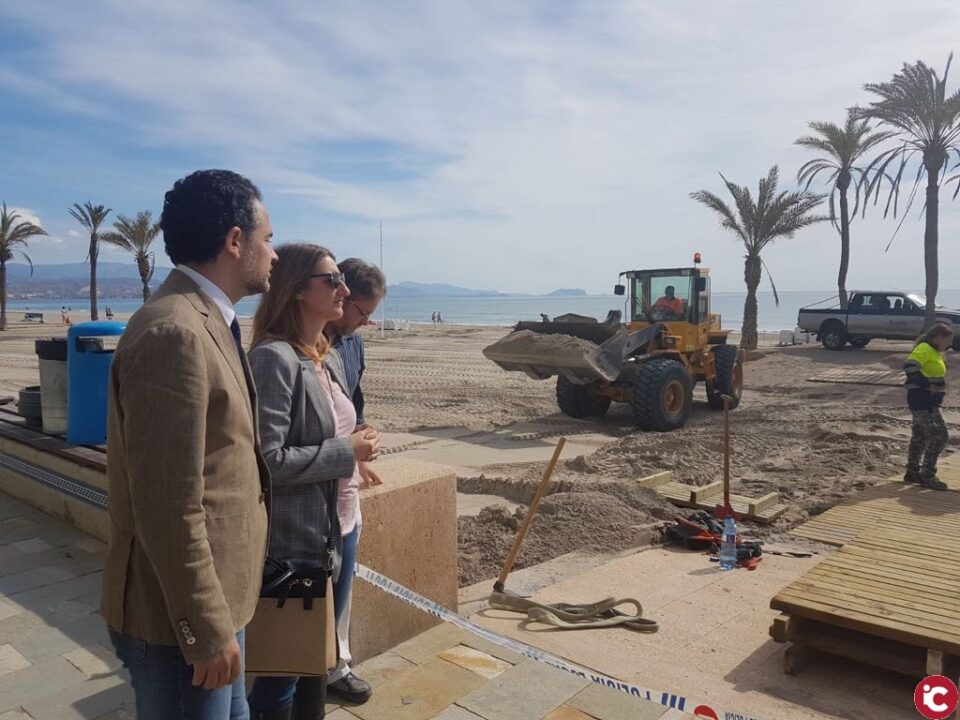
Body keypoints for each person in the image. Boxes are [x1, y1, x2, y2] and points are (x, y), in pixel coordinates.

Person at [101, 169, 277, 720]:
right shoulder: (173, 331)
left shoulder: (206, 320)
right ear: (235, 240)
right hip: (180, 624)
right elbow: (166, 503)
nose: (273, 254)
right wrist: (203, 627)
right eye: (268, 238)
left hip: (221, 601)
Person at [246, 244, 381, 720]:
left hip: (342, 525)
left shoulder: (327, 355)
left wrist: (360, 438)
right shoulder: (273, 358)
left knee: (317, 660)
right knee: (283, 670)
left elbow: (334, 427)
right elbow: (268, 460)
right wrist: (348, 451)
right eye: (332, 280)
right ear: (297, 290)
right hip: (298, 540)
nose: (344, 289)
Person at [313, 258, 386, 707]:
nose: (365, 323)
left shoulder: (353, 343)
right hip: (314, 498)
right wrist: (349, 452)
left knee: (342, 589)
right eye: (363, 312)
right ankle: (311, 673)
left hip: (345, 491)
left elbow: (353, 404)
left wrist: (364, 441)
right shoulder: (299, 348)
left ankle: (335, 665)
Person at [903, 322, 954, 490]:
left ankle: (912, 472)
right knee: (939, 436)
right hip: (924, 401)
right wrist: (927, 385)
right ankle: (928, 475)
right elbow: (910, 367)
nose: (950, 343)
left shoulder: (935, 352)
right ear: (938, 337)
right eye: (948, 339)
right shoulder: (924, 348)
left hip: (928, 401)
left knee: (919, 436)